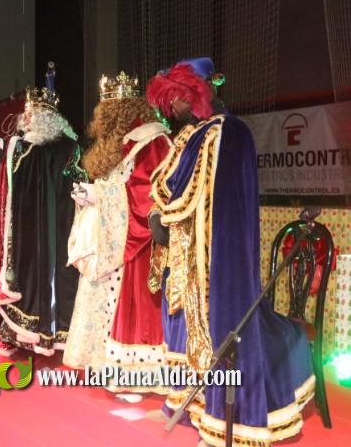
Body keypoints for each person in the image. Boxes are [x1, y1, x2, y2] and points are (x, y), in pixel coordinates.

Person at [145, 58, 314, 446]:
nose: (172, 107)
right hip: (187, 256)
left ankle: (227, 424)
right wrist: (161, 216)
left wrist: (163, 215)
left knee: (223, 332)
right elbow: (167, 184)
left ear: (196, 93)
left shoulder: (228, 132)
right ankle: (186, 403)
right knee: (181, 326)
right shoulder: (192, 135)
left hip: (217, 258)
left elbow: (202, 199)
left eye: (177, 98)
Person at [63, 72, 171, 394]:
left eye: (107, 113)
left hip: (139, 247)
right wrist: (90, 196)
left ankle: (137, 375)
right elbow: (117, 185)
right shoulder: (124, 143)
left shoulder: (152, 142)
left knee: (135, 306)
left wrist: (101, 195)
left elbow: (148, 194)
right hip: (113, 238)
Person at [0, 64, 80, 356]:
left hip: (59, 230)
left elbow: (79, 182)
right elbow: (1, 190)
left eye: (32, 115)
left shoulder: (64, 149)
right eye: (27, 115)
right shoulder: (20, 149)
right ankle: (31, 338)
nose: (27, 120)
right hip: (27, 233)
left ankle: (54, 338)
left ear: (48, 118)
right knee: (30, 278)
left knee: (58, 279)